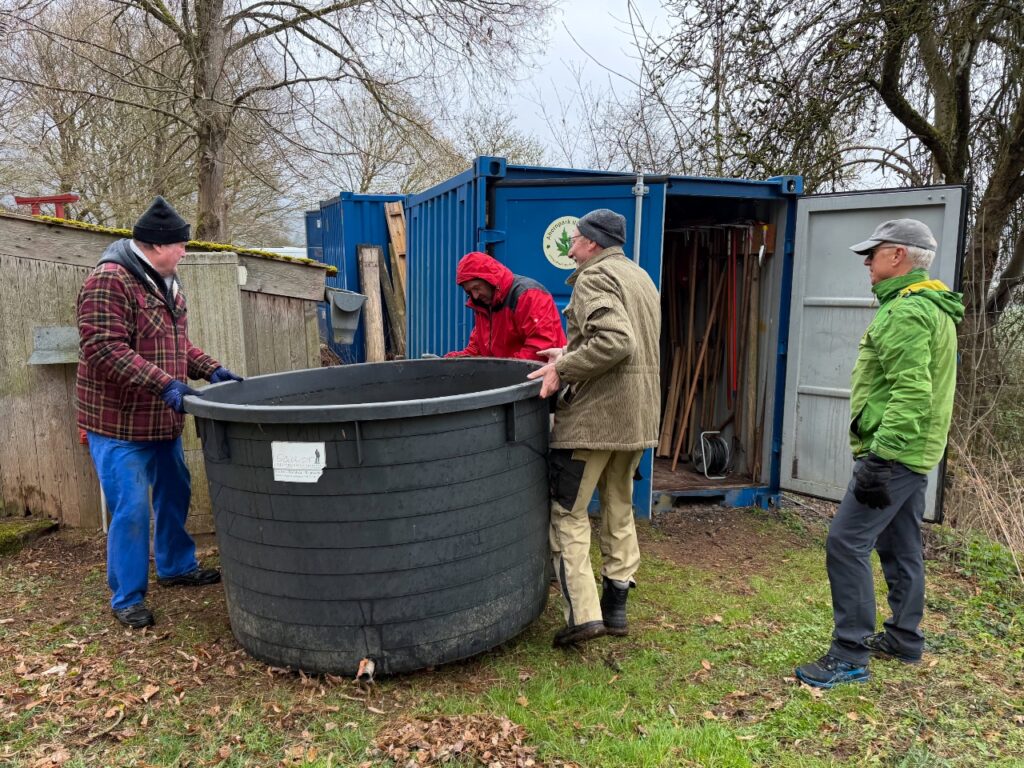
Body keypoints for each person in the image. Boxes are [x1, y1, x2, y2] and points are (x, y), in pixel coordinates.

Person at [795, 219, 964, 688]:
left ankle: (849, 652)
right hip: (917, 450)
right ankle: (904, 637)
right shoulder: (931, 306)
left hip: (897, 452)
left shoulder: (907, 313)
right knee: (900, 541)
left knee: (845, 542)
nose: (866, 262)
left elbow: (912, 393)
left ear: (898, 256)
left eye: (873, 253)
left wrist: (880, 459)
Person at [77, 196, 243, 630]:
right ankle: (127, 596)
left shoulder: (168, 282)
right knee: (131, 509)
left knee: (176, 492)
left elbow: (174, 345)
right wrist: (165, 384)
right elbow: (103, 349)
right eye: (181, 245)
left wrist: (212, 370)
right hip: (119, 425)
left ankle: (175, 567)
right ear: (156, 244)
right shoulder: (108, 281)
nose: (185, 252)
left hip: (161, 421)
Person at [528, 209, 661, 647]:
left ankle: (584, 616)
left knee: (568, 513)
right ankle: (616, 608)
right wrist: (566, 350)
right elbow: (624, 337)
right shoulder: (639, 277)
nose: (570, 246)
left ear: (594, 243)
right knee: (620, 505)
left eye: (577, 238)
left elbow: (617, 341)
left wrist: (564, 369)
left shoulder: (592, 278)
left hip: (594, 422)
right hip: (636, 417)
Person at [444, 251, 566, 361]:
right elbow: (477, 349)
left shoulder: (528, 295)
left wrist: (503, 371)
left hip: (544, 377)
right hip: (510, 376)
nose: (475, 296)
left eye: (477, 288)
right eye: (469, 291)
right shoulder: (484, 304)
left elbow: (540, 348)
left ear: (489, 280)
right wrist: (447, 362)